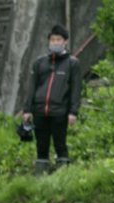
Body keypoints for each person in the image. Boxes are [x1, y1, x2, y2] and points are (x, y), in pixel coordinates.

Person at [23, 24, 81, 177]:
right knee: (41, 146)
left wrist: (73, 111)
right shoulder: (40, 62)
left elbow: (75, 89)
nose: (55, 43)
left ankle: (62, 178)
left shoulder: (72, 63)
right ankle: (40, 180)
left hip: (60, 112)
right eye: (53, 40)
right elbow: (32, 87)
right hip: (40, 112)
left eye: (58, 40)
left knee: (60, 145)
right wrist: (28, 109)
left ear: (65, 41)